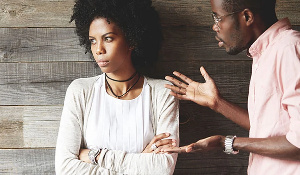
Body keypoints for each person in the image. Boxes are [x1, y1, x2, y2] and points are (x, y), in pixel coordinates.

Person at [163, 0, 300, 174]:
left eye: (218, 18)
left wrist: (226, 142)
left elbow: (298, 142)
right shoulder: (266, 53)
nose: (215, 27)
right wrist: (217, 103)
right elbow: (269, 127)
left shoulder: (289, 49)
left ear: (247, 16)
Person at [55, 0, 179, 174]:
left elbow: (163, 168)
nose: (98, 49)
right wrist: (142, 160)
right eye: (92, 41)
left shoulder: (163, 93)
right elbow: (65, 168)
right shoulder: (80, 91)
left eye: (108, 38)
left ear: (131, 40)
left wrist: (96, 156)